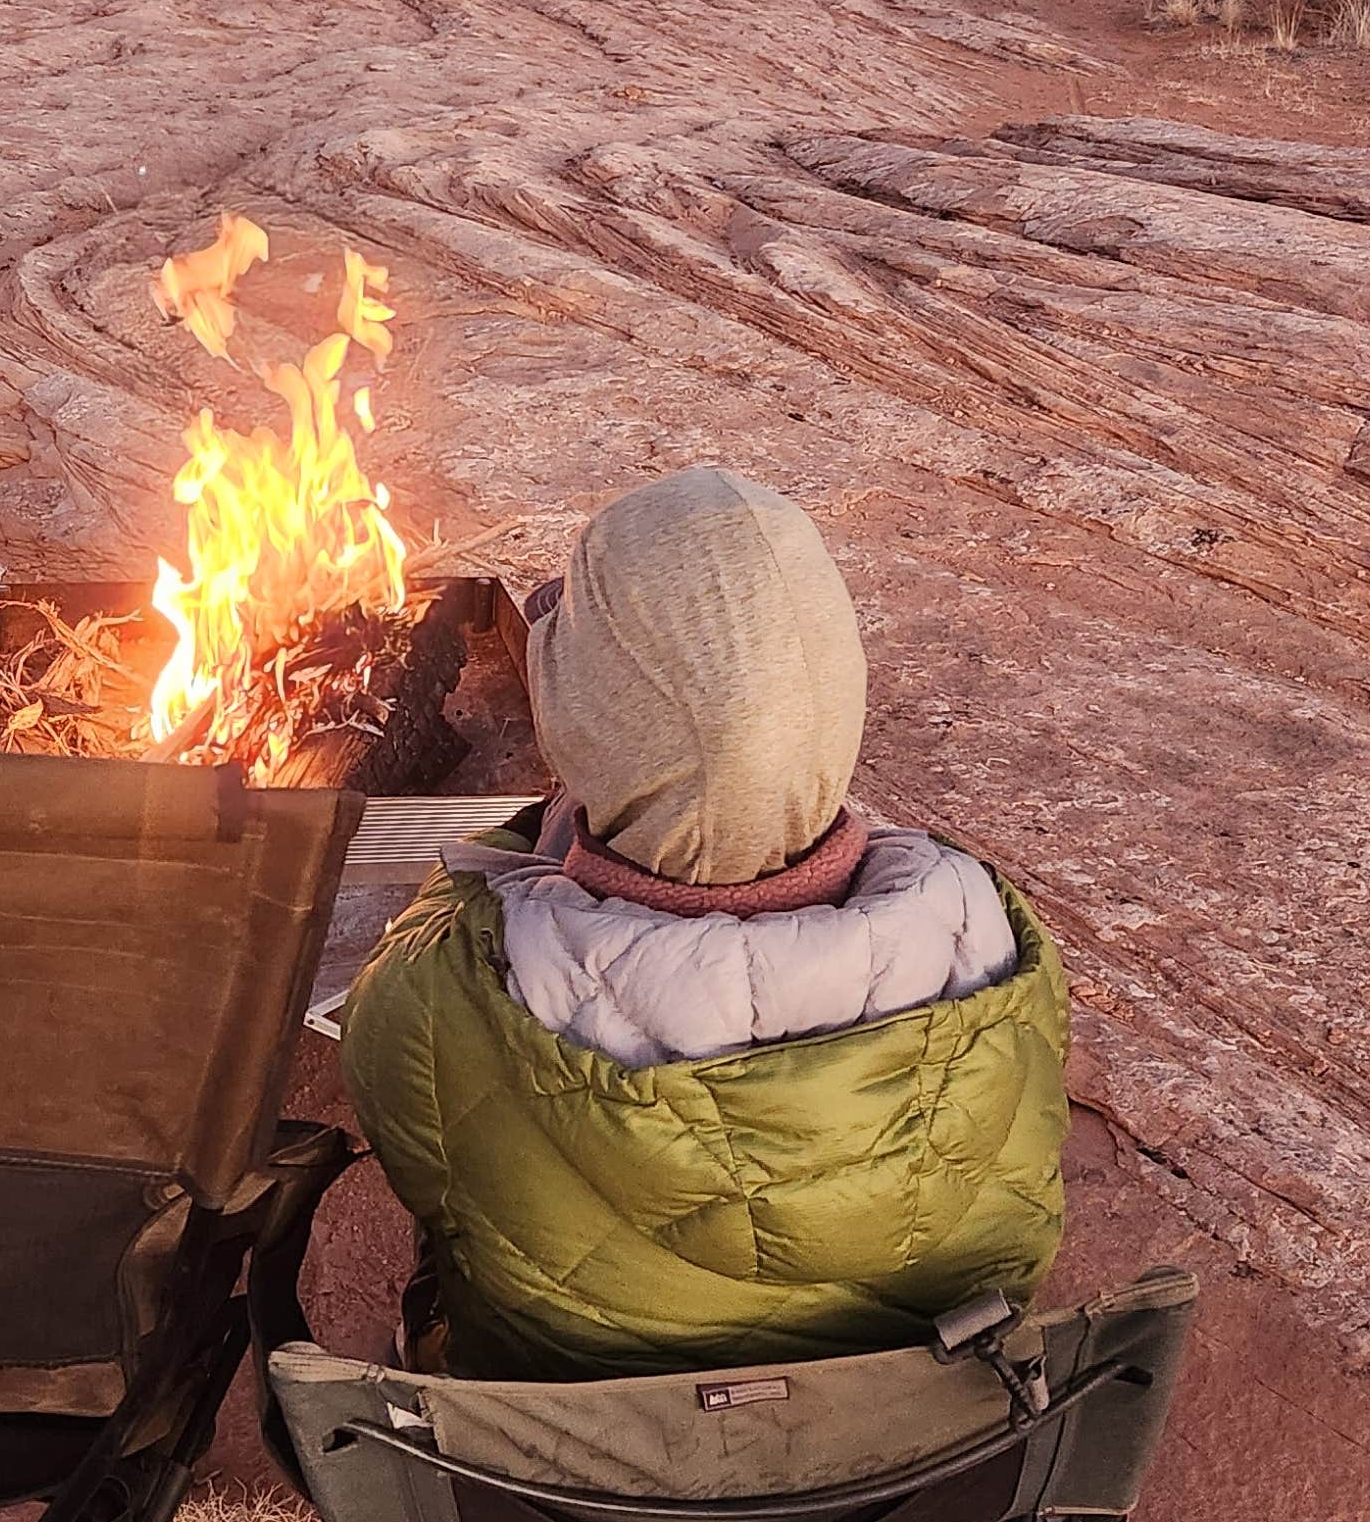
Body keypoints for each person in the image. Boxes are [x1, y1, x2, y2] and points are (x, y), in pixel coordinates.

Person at [340, 464, 1067, 1379]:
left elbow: (424, 1170)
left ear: (585, 727)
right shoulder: (993, 944)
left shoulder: (439, 988)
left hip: (576, 1429)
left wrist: (543, 846)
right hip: (910, 1415)